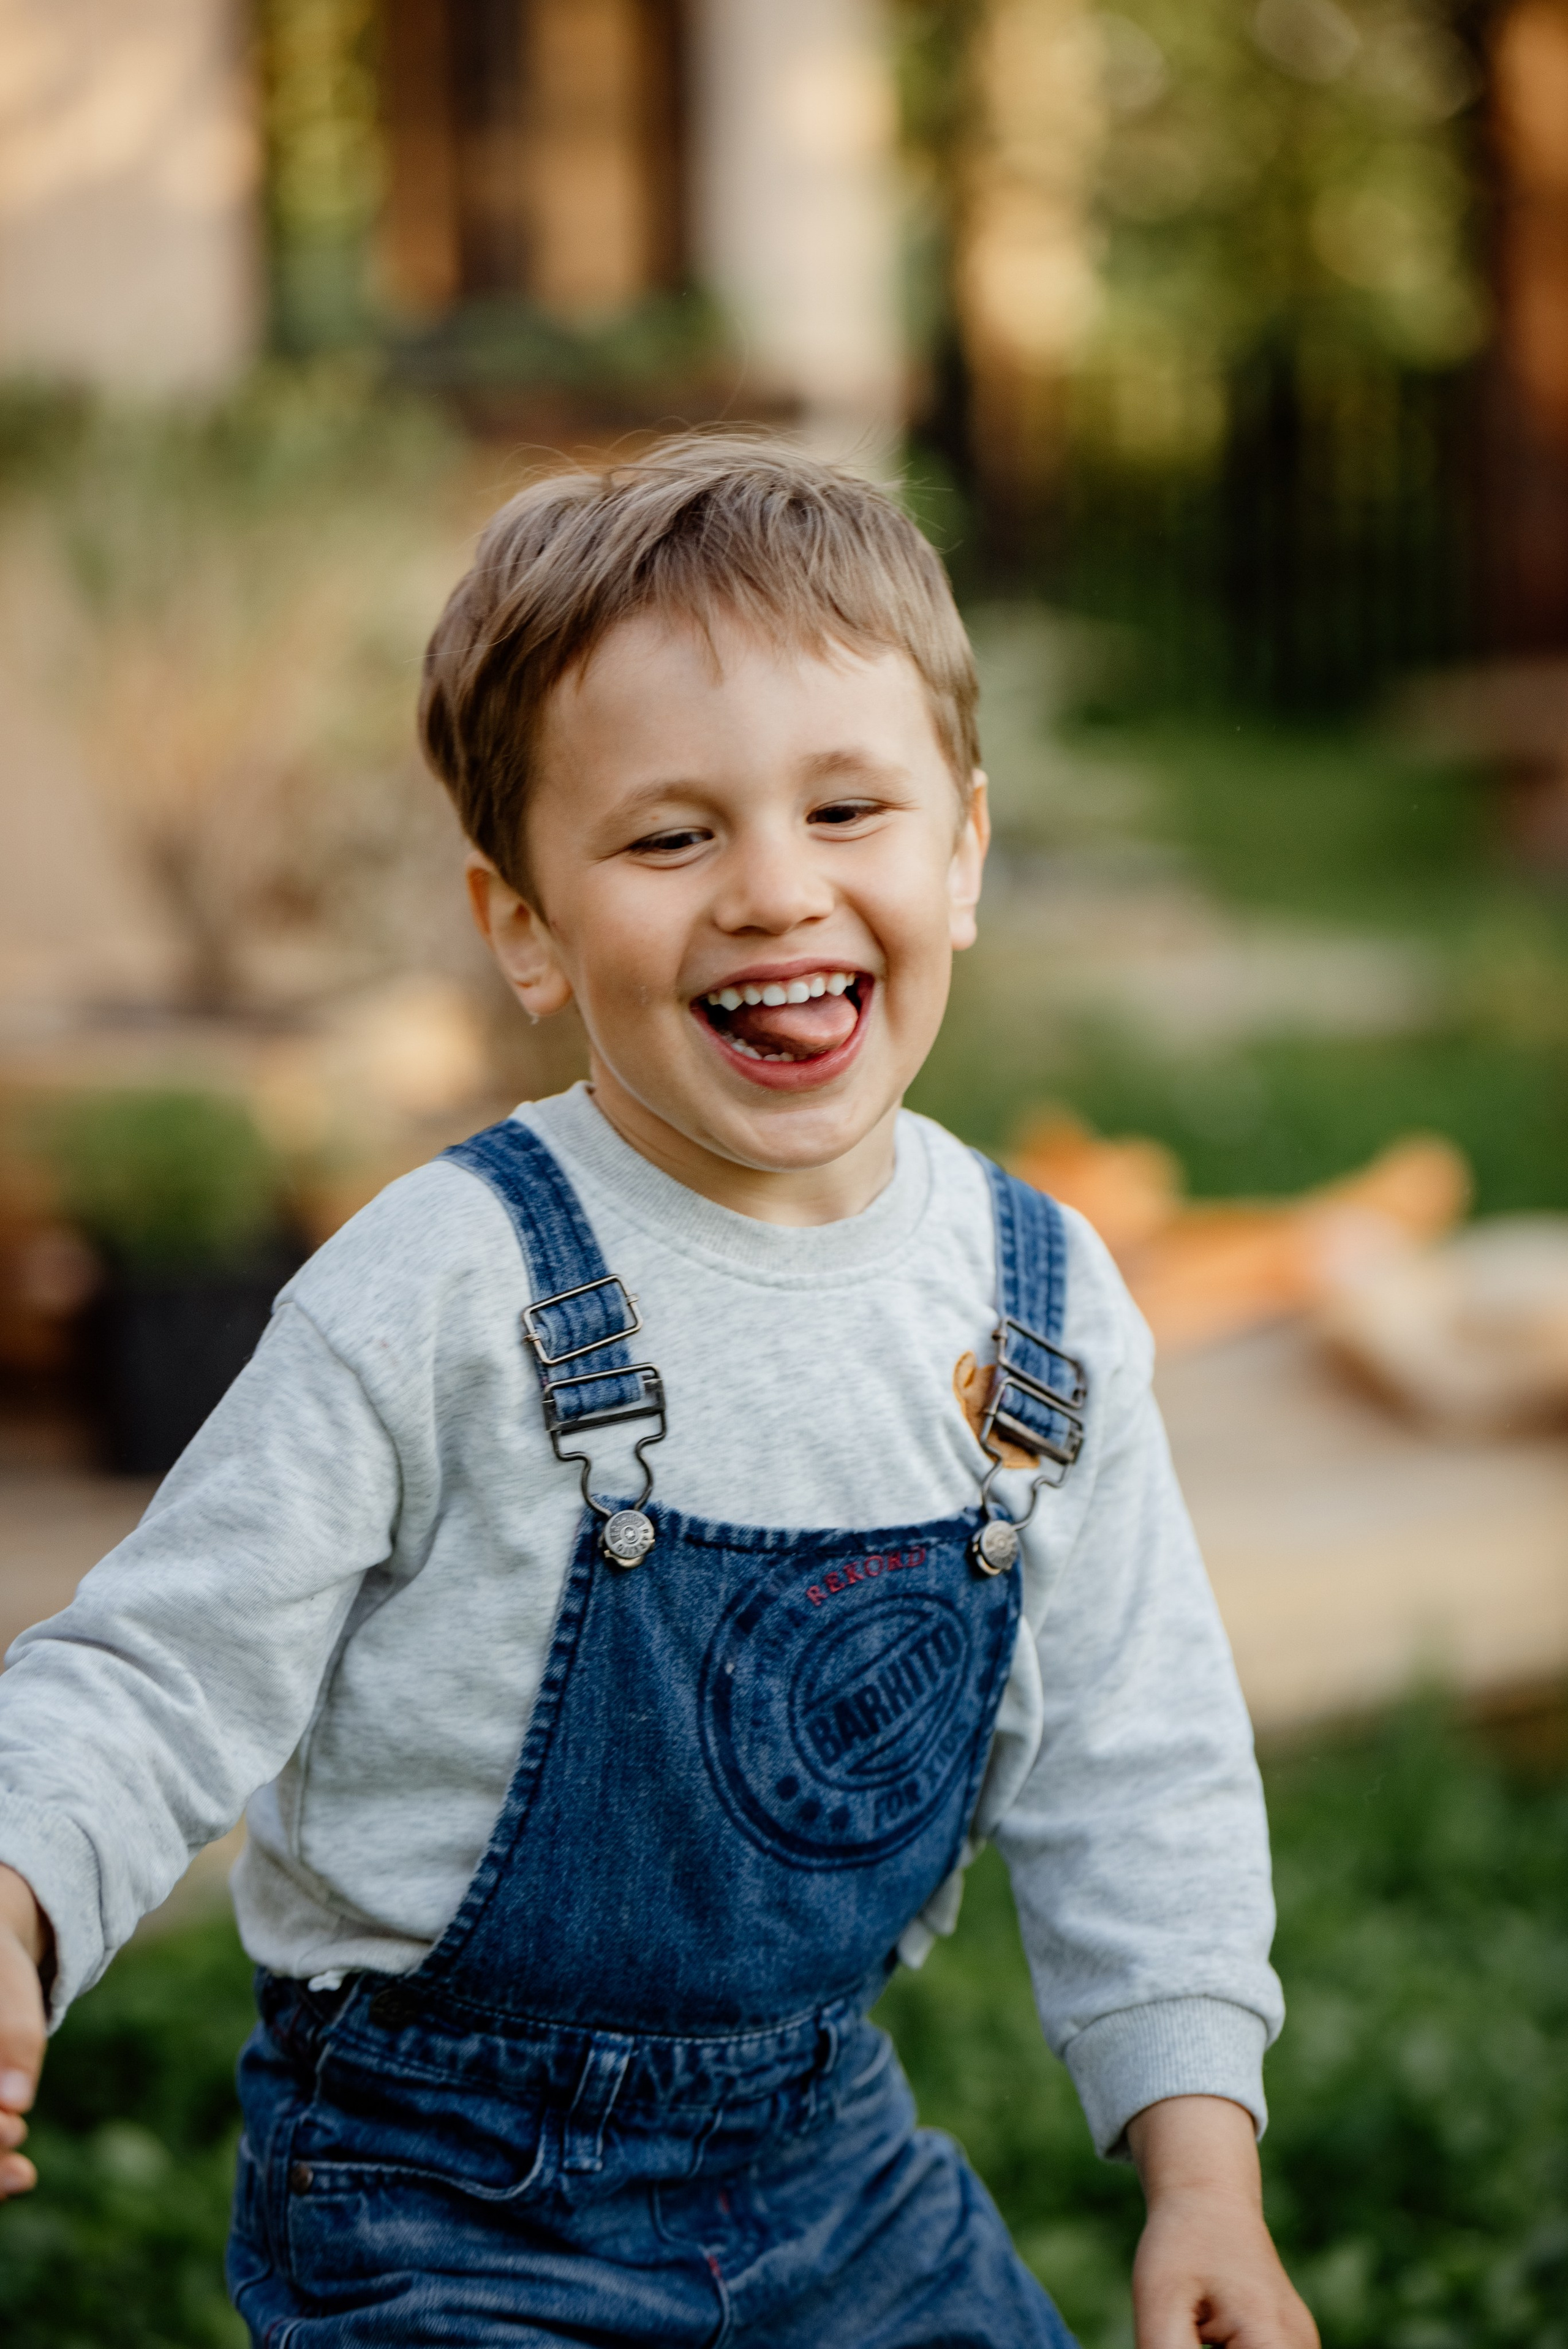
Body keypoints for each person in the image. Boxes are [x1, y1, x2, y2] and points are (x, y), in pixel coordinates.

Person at [0, 433, 1316, 2349]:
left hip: (826, 2158)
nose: (775, 890)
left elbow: (1144, 1762)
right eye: (670, 835)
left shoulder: (1037, 1303)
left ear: (961, 851)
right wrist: (21, 1881)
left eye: (848, 808)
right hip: (439, 2189)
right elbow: (161, 1664)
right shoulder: (444, 1282)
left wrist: (1206, 2170)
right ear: (524, 922)